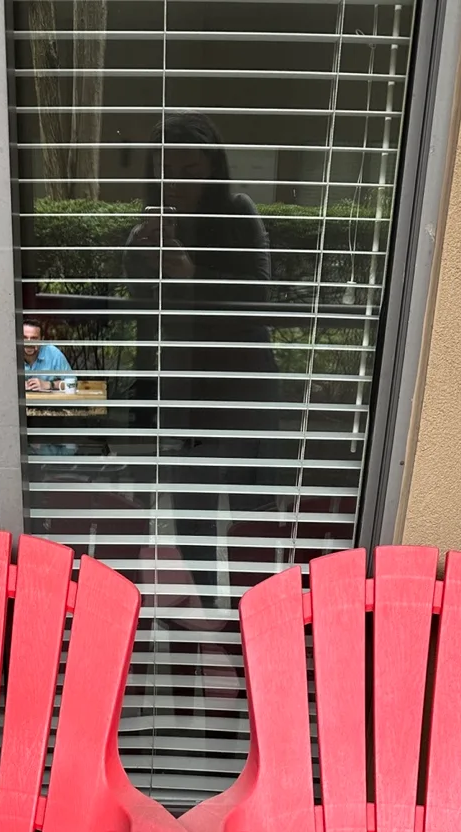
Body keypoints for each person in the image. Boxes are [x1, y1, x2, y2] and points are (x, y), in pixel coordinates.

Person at [124, 111, 281, 603]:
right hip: (188, 408)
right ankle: (204, 639)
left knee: (252, 533)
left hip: (245, 400)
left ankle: (253, 641)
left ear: (214, 170)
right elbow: (148, 330)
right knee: (193, 533)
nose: (180, 184)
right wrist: (141, 261)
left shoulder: (238, 216)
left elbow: (259, 307)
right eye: (167, 171)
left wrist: (190, 274)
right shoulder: (146, 236)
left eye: (193, 170)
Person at [23, 322, 73, 391]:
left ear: (42, 339)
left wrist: (50, 385)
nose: (29, 343)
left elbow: (72, 383)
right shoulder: (10, 354)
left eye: (34, 338)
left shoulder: (53, 353)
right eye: (24, 337)